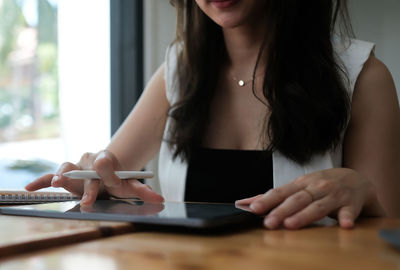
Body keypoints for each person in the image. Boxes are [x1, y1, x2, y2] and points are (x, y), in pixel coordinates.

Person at [26, 0, 400, 230]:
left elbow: (387, 236)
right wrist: (95, 177)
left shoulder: (362, 76)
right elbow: (109, 177)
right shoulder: (176, 71)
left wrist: (365, 195)